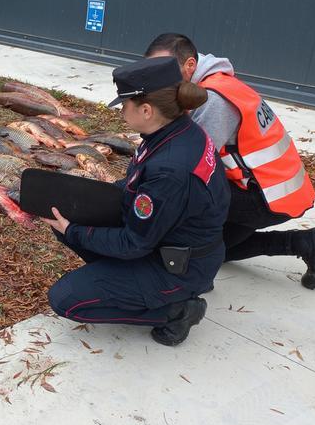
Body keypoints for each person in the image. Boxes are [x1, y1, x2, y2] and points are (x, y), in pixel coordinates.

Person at [46, 57, 229, 346]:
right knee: (68, 213)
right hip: (177, 242)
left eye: (124, 104)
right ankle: (126, 279)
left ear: (146, 110)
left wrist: (74, 232)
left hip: (179, 265)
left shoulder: (169, 168)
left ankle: (177, 310)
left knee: (65, 299)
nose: (120, 111)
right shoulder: (174, 131)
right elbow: (137, 189)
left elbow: (134, 243)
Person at [145, 33, 315, 289]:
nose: (158, 77)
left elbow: (189, 162)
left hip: (266, 196)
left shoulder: (214, 98)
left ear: (190, 65)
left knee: (193, 239)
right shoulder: (218, 83)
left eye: (164, 69)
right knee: (219, 251)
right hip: (275, 188)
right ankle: (311, 243)